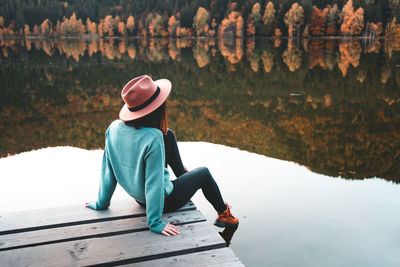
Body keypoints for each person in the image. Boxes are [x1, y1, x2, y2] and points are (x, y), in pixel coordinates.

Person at [86, 75, 238, 236]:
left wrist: (102, 203)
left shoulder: (113, 128)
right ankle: (224, 215)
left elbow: (108, 170)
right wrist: (154, 222)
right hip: (163, 201)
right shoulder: (153, 138)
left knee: (168, 135)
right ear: (157, 107)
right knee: (204, 173)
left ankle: (183, 175)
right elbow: (153, 183)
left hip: (138, 196)